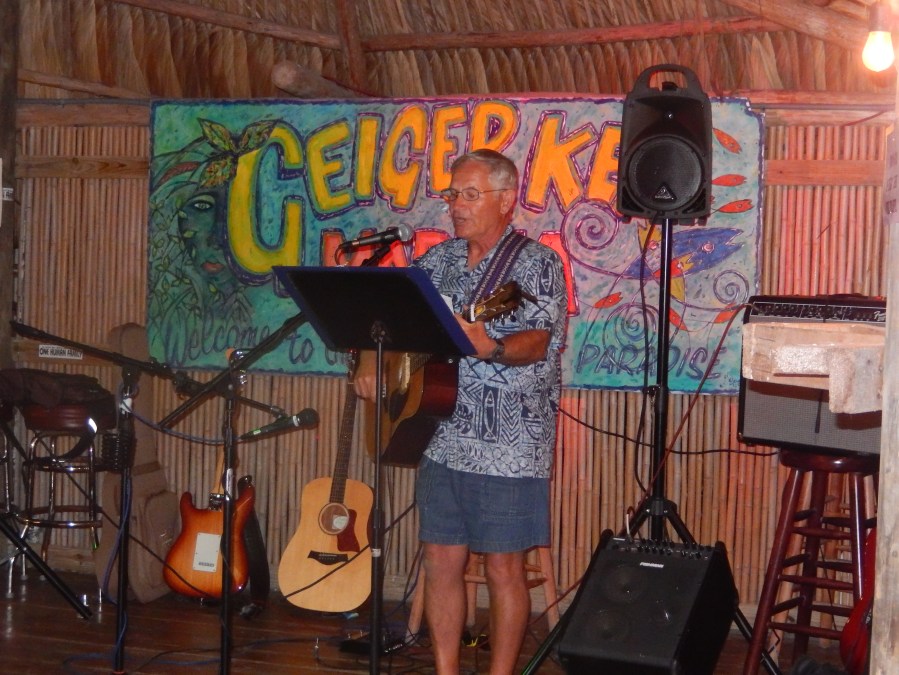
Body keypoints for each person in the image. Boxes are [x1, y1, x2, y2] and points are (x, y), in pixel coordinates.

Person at [353, 149, 567, 674]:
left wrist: (490, 345)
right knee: (440, 560)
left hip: (508, 444)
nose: (456, 206)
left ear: (507, 200)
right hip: (439, 433)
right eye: (453, 194)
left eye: (470, 195)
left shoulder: (536, 264)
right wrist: (370, 363)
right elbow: (387, 320)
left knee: (503, 569)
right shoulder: (439, 261)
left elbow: (537, 341)